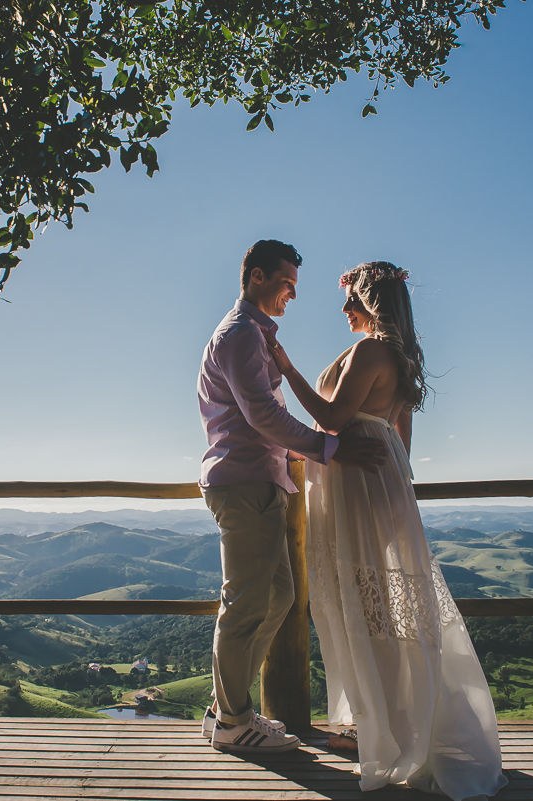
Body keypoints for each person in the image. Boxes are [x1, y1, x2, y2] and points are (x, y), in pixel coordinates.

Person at [268, 262, 507, 800]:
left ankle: (391, 731)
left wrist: (285, 366)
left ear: (368, 302)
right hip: (374, 485)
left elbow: (331, 418)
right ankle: (387, 725)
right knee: (373, 604)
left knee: (365, 603)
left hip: (359, 488)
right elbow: (403, 435)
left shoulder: (373, 351)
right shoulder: (395, 357)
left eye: (349, 298)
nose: (343, 309)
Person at [197, 240, 388, 754]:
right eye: (287, 284)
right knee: (244, 603)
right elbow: (263, 416)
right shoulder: (239, 335)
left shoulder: (255, 336)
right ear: (256, 277)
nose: (292, 295)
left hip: (261, 479)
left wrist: (297, 455)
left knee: (278, 597)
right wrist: (330, 449)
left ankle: (226, 707)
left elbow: (264, 422)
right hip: (243, 482)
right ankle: (234, 721)